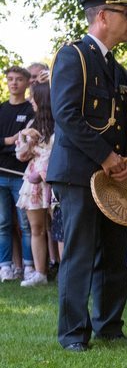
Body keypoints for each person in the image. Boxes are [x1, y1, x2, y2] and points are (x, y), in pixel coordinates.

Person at [46, 0, 127, 351]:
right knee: (80, 253)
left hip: (112, 172)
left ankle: (109, 325)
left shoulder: (114, 66)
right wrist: (105, 156)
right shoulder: (73, 56)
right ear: (103, 16)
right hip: (79, 172)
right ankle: (72, 334)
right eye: (126, 14)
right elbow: (66, 114)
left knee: (113, 251)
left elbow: (125, 120)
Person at [14, 81, 54, 287]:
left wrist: (37, 149)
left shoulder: (60, 123)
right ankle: (40, 273)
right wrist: (24, 137)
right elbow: (21, 155)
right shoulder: (32, 125)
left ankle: (63, 267)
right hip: (34, 184)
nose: (30, 100)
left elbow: (53, 154)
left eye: (33, 96)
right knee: (36, 227)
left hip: (54, 180)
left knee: (60, 227)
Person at [0, 65, 35, 283]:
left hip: (22, 176)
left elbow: (27, 148)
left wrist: (14, 146)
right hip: (0, 174)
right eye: (10, 79)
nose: (14, 83)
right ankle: (6, 267)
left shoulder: (31, 111)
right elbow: (15, 144)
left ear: (27, 83)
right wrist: (9, 141)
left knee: (26, 225)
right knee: (3, 223)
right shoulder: (1, 109)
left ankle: (29, 267)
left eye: (18, 79)